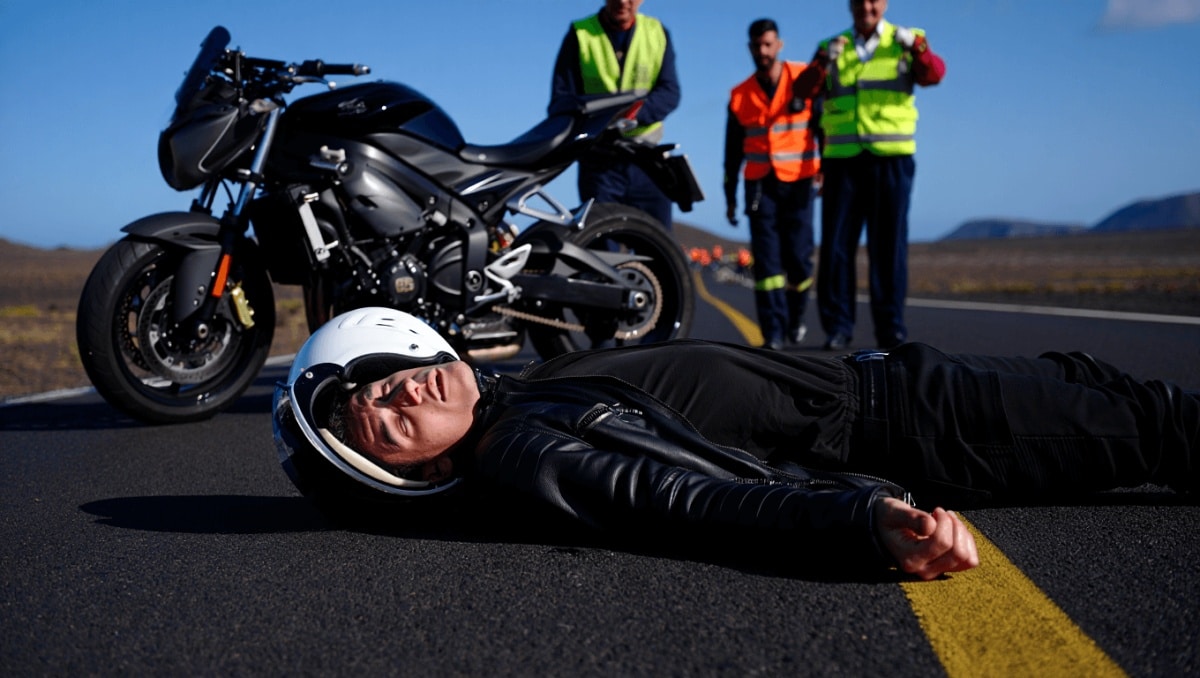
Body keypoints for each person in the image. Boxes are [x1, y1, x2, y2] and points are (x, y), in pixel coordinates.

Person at [274, 308, 1198, 581]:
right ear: (423, 469)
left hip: (878, 374)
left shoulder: (511, 393)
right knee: (1158, 429)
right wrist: (855, 522)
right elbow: (683, 502)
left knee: (1108, 387)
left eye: (390, 379)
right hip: (907, 422)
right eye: (391, 420)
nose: (407, 390)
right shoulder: (523, 450)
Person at [792, 0, 946, 351]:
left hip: (890, 161)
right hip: (842, 162)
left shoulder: (907, 41)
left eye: (874, 0)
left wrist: (918, 48)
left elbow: (934, 74)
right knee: (837, 250)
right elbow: (801, 92)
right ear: (850, 5)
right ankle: (839, 329)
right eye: (860, 1)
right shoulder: (832, 46)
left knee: (888, 249)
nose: (867, 7)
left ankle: (891, 330)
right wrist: (822, 62)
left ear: (885, 4)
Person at [724, 18, 821, 350]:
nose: (763, 51)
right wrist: (729, 196)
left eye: (768, 44)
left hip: (800, 181)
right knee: (766, 264)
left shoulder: (804, 78)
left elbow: (823, 125)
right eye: (757, 46)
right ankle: (773, 333)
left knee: (798, 259)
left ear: (779, 44)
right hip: (759, 186)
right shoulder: (740, 95)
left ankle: (795, 318)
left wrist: (826, 169)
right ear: (750, 48)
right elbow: (731, 151)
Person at [549, 0, 682, 230]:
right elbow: (561, 101)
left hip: (647, 161)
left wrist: (632, 116)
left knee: (658, 245)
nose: (622, 1)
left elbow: (670, 92)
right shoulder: (580, 33)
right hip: (599, 163)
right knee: (601, 249)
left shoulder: (657, 33)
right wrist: (599, 119)